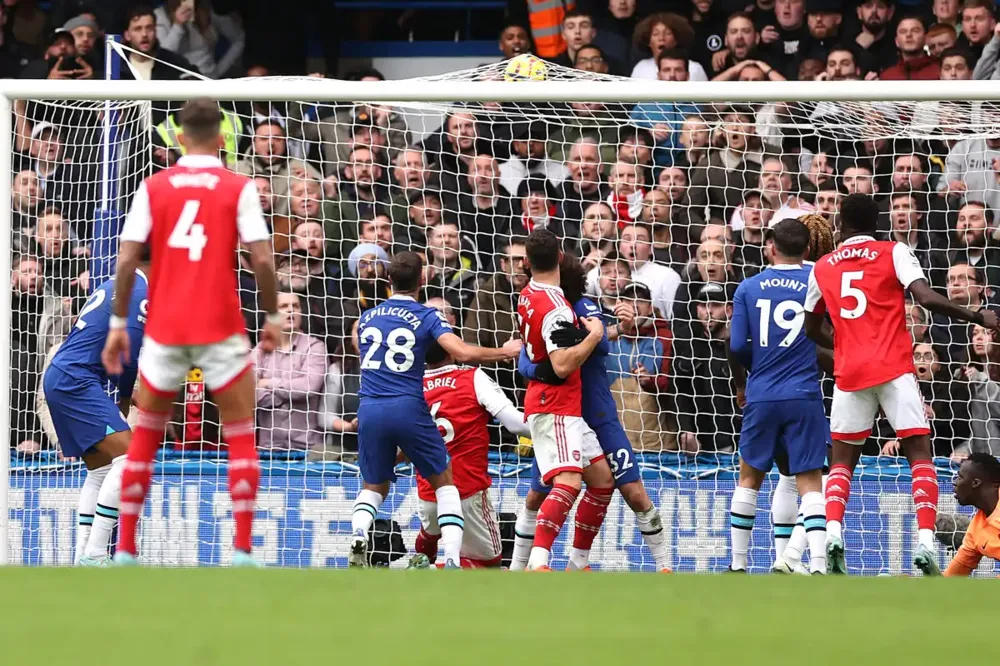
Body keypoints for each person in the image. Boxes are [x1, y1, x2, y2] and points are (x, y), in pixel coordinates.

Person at [102, 98, 281, 568]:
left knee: (145, 436)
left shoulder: (154, 186)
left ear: (178, 137)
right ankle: (241, 550)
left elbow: (125, 259)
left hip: (165, 326)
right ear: (223, 139)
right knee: (240, 431)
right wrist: (273, 319)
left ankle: (124, 550)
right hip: (221, 326)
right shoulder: (238, 186)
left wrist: (119, 324)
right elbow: (261, 258)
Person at [803, 193, 1000, 575]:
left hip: (850, 372)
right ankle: (926, 542)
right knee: (919, 454)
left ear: (841, 226)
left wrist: (845, 341)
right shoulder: (894, 251)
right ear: (877, 222)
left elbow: (811, 327)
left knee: (842, 461)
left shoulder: (823, 265)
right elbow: (924, 297)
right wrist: (976, 314)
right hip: (893, 368)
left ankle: (832, 535)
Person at [348, 251, 521, 568]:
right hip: (407, 405)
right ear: (422, 279)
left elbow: (356, 340)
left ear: (389, 279)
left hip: (370, 407)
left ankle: (359, 534)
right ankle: (452, 558)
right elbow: (462, 351)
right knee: (445, 482)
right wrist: (505, 351)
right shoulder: (427, 316)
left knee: (374, 486)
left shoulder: (369, 317)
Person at [510, 255, 671, 572]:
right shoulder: (544, 311)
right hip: (560, 417)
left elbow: (600, 345)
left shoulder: (584, 309)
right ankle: (518, 568)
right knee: (536, 496)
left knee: (634, 493)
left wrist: (617, 328)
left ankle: (663, 567)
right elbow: (525, 363)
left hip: (598, 418)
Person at [728, 219, 830, 575]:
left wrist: (745, 381)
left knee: (749, 480)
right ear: (806, 249)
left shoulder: (748, 287)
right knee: (809, 482)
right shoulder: (818, 282)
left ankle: (738, 564)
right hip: (804, 393)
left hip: (762, 393)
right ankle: (817, 564)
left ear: (770, 245)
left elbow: (737, 344)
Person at [516, 228, 617, 571]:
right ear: (560, 256)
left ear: (526, 263)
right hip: (555, 405)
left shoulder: (527, 293)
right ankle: (539, 562)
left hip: (561, 406)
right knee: (570, 482)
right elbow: (560, 365)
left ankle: (578, 563)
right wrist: (594, 335)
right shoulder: (557, 305)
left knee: (602, 480)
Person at [41, 266, 148, 566]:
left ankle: (83, 557)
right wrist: (126, 396)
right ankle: (97, 554)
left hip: (64, 376)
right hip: (77, 379)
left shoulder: (113, 283)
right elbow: (126, 358)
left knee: (101, 472)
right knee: (131, 460)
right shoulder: (140, 295)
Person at [409, 340, 531, 569]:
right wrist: (553, 427)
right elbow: (515, 424)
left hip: (427, 492)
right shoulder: (472, 378)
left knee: (431, 533)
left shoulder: (413, 386)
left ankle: (425, 549)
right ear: (453, 350)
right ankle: (433, 570)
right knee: (490, 566)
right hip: (467, 492)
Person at [943, 452, 1000, 576]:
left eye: (960, 477)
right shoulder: (975, 530)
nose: (955, 482)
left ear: (975, 483)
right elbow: (952, 578)